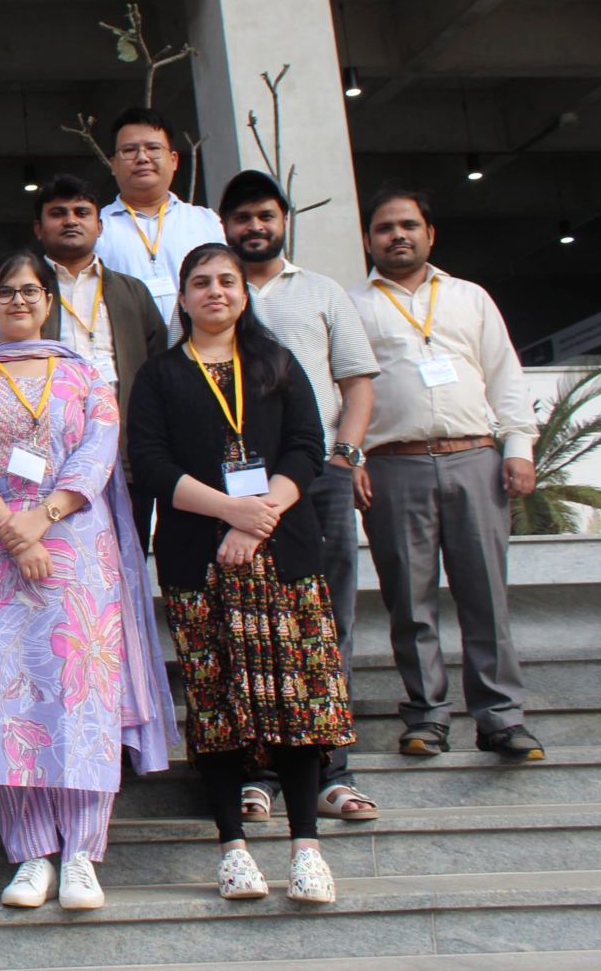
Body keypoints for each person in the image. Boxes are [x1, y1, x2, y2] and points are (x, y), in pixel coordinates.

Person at [0, 251, 175, 912]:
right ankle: (31, 853)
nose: (18, 300)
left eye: (30, 290)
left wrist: (40, 520)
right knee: (7, 699)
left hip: (75, 547)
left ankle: (83, 855)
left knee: (80, 693)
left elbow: (98, 452)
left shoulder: (84, 373)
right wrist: (12, 530)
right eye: (5, 291)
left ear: (48, 300)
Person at [127, 243, 350, 906]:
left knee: (297, 701)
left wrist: (258, 518)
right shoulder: (162, 374)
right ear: (183, 297)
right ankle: (233, 848)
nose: (215, 291)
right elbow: (151, 462)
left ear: (244, 293)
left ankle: (306, 847)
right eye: (201, 282)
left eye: (227, 280)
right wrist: (230, 512)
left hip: (284, 554)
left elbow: (308, 446)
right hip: (198, 555)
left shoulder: (276, 363)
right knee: (216, 702)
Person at [349, 188, 544, 762]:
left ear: (430, 234)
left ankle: (501, 717)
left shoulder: (469, 297)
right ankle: (427, 717)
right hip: (394, 464)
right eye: (385, 228)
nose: (398, 235)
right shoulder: (352, 305)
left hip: (475, 458)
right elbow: (341, 390)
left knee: (486, 596)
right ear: (368, 239)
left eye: (409, 225)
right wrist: (350, 458)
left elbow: (504, 374)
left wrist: (518, 447)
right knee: (410, 603)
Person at [220, 170, 383, 821]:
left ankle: (331, 767)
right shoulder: (218, 290)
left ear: (283, 220)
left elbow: (357, 380)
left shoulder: (321, 291)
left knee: (326, 619)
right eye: (242, 218)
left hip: (318, 477)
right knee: (253, 623)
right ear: (225, 227)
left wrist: (346, 456)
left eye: (265, 215)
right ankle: (262, 768)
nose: (255, 227)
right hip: (239, 486)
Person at [31, 175, 168, 547]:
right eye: (58, 213)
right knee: (63, 558)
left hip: (125, 448)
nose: (71, 220)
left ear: (99, 225)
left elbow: (159, 369)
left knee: (129, 551)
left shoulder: (132, 291)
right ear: (38, 229)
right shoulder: (24, 291)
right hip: (51, 454)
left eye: (81, 212)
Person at [94, 106, 224, 327]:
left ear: (173, 160)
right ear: (113, 164)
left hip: (199, 344)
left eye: (153, 148)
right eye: (129, 150)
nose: (142, 158)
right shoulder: (97, 228)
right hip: (128, 346)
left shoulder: (206, 222)